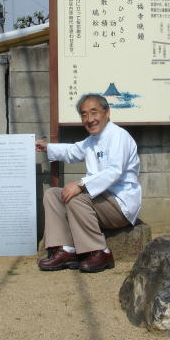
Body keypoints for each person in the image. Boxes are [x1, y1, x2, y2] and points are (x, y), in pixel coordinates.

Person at [36, 93, 141, 273]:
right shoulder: (92, 140)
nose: (89, 119)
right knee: (52, 194)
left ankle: (100, 252)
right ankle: (66, 249)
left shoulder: (118, 136)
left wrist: (81, 184)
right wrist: (48, 147)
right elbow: (72, 151)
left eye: (94, 112)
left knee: (76, 197)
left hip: (120, 205)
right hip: (100, 201)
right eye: (84, 115)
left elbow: (114, 171)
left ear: (107, 112)